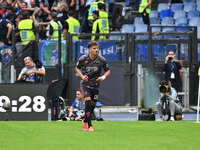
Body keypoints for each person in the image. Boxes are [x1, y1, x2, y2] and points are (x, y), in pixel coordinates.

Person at [75, 40, 110, 131]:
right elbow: (77, 68)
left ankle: (85, 120)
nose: (96, 50)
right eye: (94, 48)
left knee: (93, 105)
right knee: (87, 102)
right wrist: (82, 76)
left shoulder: (101, 59)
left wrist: (102, 77)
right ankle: (90, 125)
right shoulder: (83, 58)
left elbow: (108, 71)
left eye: (97, 48)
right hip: (85, 84)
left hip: (95, 85)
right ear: (89, 49)